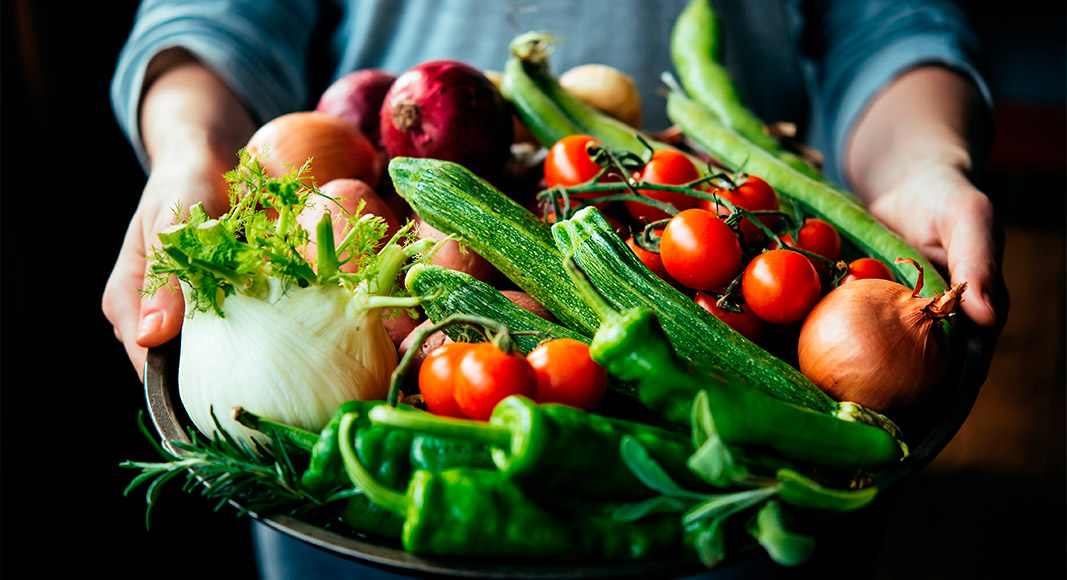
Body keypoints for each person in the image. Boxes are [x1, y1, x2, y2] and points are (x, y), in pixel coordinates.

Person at [103, 1, 1006, 577]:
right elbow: (218, 15)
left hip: (746, 527)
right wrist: (191, 153)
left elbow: (887, 21)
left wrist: (921, 164)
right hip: (364, 517)